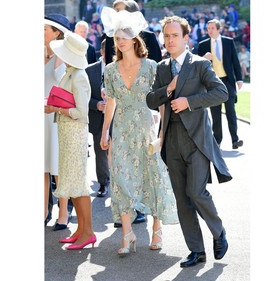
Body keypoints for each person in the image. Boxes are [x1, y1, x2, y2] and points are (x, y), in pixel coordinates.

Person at [146, 15, 232, 268]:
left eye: (175, 35)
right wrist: (168, 90)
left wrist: (189, 102)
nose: (170, 40)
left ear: (186, 38)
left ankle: (219, 232)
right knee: (182, 199)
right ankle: (196, 250)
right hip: (171, 140)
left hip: (197, 141)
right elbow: (151, 100)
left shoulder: (199, 65)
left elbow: (221, 93)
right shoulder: (162, 68)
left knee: (196, 192)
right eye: (167, 36)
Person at [100, 8, 178, 256]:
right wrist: (105, 133)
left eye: (124, 35)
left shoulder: (152, 66)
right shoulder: (110, 70)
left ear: (135, 38)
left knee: (151, 176)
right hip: (121, 130)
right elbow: (110, 101)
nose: (120, 40)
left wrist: (163, 133)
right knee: (121, 179)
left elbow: (163, 101)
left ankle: (156, 228)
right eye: (117, 37)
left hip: (146, 128)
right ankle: (127, 234)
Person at [101, 0, 161, 226]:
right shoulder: (111, 40)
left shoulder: (149, 39)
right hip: (121, 115)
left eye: (122, 11)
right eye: (116, 12)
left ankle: (141, 209)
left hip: (144, 115)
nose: (118, 16)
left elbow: (156, 76)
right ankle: (126, 210)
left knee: (144, 165)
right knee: (121, 166)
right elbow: (109, 66)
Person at [45, 32, 96, 250]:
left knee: (79, 186)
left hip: (75, 134)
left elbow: (82, 113)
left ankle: (88, 232)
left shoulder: (79, 76)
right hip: (67, 134)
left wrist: (54, 108)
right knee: (74, 184)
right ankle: (82, 230)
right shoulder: (71, 72)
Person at [44, 14, 72, 231]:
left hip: (55, 117)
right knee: (41, 168)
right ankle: (43, 211)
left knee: (57, 167)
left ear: (57, 33)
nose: (40, 32)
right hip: (38, 117)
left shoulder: (64, 56)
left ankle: (63, 213)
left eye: (45, 29)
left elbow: (62, 80)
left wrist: (58, 53)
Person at [198, 19, 244, 149]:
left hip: (227, 81)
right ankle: (217, 140)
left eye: (212, 28)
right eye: (208, 28)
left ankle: (235, 140)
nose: (209, 31)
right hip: (212, 83)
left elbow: (235, 61)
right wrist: (203, 58)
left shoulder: (228, 42)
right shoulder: (203, 45)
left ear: (219, 29)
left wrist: (239, 79)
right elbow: (196, 64)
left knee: (231, 111)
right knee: (215, 113)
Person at [85, 39, 110, 197]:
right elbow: (83, 96)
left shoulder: (122, 68)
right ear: (101, 52)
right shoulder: (89, 71)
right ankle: (103, 183)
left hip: (118, 117)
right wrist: (97, 105)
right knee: (100, 151)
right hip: (97, 117)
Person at [103, 0, 162, 65]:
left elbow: (157, 66)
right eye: (114, 11)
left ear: (132, 13)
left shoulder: (148, 37)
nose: (114, 14)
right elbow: (108, 65)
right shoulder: (110, 38)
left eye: (118, 10)